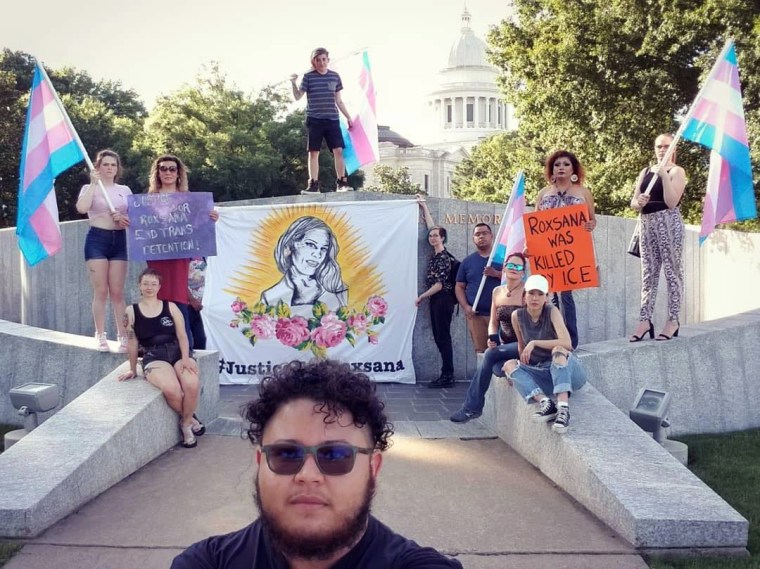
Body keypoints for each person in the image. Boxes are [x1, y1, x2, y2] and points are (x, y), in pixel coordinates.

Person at [170, 359, 463, 569]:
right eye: (286, 454)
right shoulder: (206, 563)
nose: (308, 476)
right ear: (260, 463)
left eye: (335, 456)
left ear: (372, 469)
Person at [118, 268, 204, 448]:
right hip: (154, 355)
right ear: (139, 286)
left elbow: (182, 335)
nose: (149, 287)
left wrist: (186, 358)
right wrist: (133, 369)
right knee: (172, 389)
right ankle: (188, 421)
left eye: (153, 284)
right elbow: (132, 343)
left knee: (192, 383)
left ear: (159, 287)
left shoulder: (170, 307)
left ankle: (186, 423)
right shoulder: (130, 311)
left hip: (177, 351)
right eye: (145, 283)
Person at [146, 154, 219, 349]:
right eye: (163, 168)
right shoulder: (146, 201)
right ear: (157, 172)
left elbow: (199, 227)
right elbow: (141, 227)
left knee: (183, 303)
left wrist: (210, 217)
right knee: (160, 296)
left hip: (184, 258)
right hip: (159, 256)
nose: (168, 172)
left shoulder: (191, 200)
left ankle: (188, 350)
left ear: (178, 173)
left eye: (172, 169)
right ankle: (160, 347)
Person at [502, 274, 587, 434]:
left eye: (540, 294)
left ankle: (563, 409)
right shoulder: (517, 316)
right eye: (531, 293)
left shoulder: (552, 311)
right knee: (509, 365)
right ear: (524, 296)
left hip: (567, 372)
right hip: (543, 374)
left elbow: (567, 343)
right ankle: (547, 404)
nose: (535, 298)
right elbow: (522, 348)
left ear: (546, 298)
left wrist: (535, 343)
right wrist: (517, 375)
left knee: (558, 350)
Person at [450, 253, 527, 423]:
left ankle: (471, 408)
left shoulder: (528, 292)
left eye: (518, 267)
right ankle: (511, 368)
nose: (514, 269)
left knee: (489, 356)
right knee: (497, 368)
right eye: (511, 265)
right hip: (505, 345)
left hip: (524, 344)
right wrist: (492, 337)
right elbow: (493, 321)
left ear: (523, 272)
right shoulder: (497, 291)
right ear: (504, 268)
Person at [532, 150, 597, 349]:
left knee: (566, 294)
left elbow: (592, 219)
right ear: (551, 169)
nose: (561, 167)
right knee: (550, 293)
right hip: (548, 250)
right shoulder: (543, 193)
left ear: (573, 169)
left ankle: (571, 339)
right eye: (557, 164)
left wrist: (590, 225)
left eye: (566, 164)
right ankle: (552, 336)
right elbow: (535, 223)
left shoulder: (583, 192)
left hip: (571, 250)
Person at [629, 133, 687, 342]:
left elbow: (672, 202)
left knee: (672, 273)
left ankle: (673, 320)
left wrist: (664, 175)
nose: (662, 150)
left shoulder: (676, 171)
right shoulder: (645, 171)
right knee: (648, 274)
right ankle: (644, 320)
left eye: (666, 146)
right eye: (658, 146)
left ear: (674, 148)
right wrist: (640, 201)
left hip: (668, 222)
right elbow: (634, 202)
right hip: (647, 223)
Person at [75, 149, 132, 352]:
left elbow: (135, 218)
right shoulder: (89, 187)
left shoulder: (124, 190)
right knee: (101, 291)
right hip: (97, 239)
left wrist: (123, 220)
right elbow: (82, 208)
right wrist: (92, 184)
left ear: (118, 168)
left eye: (113, 165)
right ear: (98, 167)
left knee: (117, 292)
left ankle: (123, 335)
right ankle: (100, 334)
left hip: (119, 241)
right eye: (105, 164)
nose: (109, 168)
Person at [290, 47, 354, 194]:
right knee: (313, 152)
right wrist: (293, 83)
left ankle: (341, 183)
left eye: (324, 59)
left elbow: (339, 100)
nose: (321, 62)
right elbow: (298, 96)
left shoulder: (335, 77)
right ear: (314, 62)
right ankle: (313, 184)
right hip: (314, 119)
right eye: (318, 60)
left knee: (338, 150)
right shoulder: (308, 77)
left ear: (328, 60)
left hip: (332, 119)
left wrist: (348, 117)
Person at [261, 216, 348, 317]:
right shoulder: (269, 297)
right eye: (311, 245)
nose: (318, 255)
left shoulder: (337, 291)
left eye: (323, 249)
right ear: (289, 246)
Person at [416, 197, 456, 388]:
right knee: (440, 335)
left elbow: (440, 284)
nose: (432, 237)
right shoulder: (436, 254)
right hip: (437, 300)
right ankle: (447, 374)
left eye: (436, 236)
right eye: (430, 236)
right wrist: (424, 206)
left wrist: (422, 297)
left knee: (443, 336)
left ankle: (448, 375)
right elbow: (431, 226)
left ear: (443, 238)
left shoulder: (443, 258)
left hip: (442, 299)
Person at [455, 223, 502, 353]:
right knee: (481, 352)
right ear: (473, 239)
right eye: (477, 234)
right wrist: (465, 307)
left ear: (491, 235)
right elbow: (459, 287)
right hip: (476, 316)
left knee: (502, 351)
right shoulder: (467, 262)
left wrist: (496, 273)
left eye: (484, 233)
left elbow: (517, 277)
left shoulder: (502, 258)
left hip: (500, 315)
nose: (481, 236)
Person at [187, 257, 207, 350]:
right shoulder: (185, 254)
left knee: (202, 339)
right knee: (196, 339)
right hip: (190, 305)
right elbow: (179, 280)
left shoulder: (209, 255)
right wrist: (192, 300)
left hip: (207, 306)